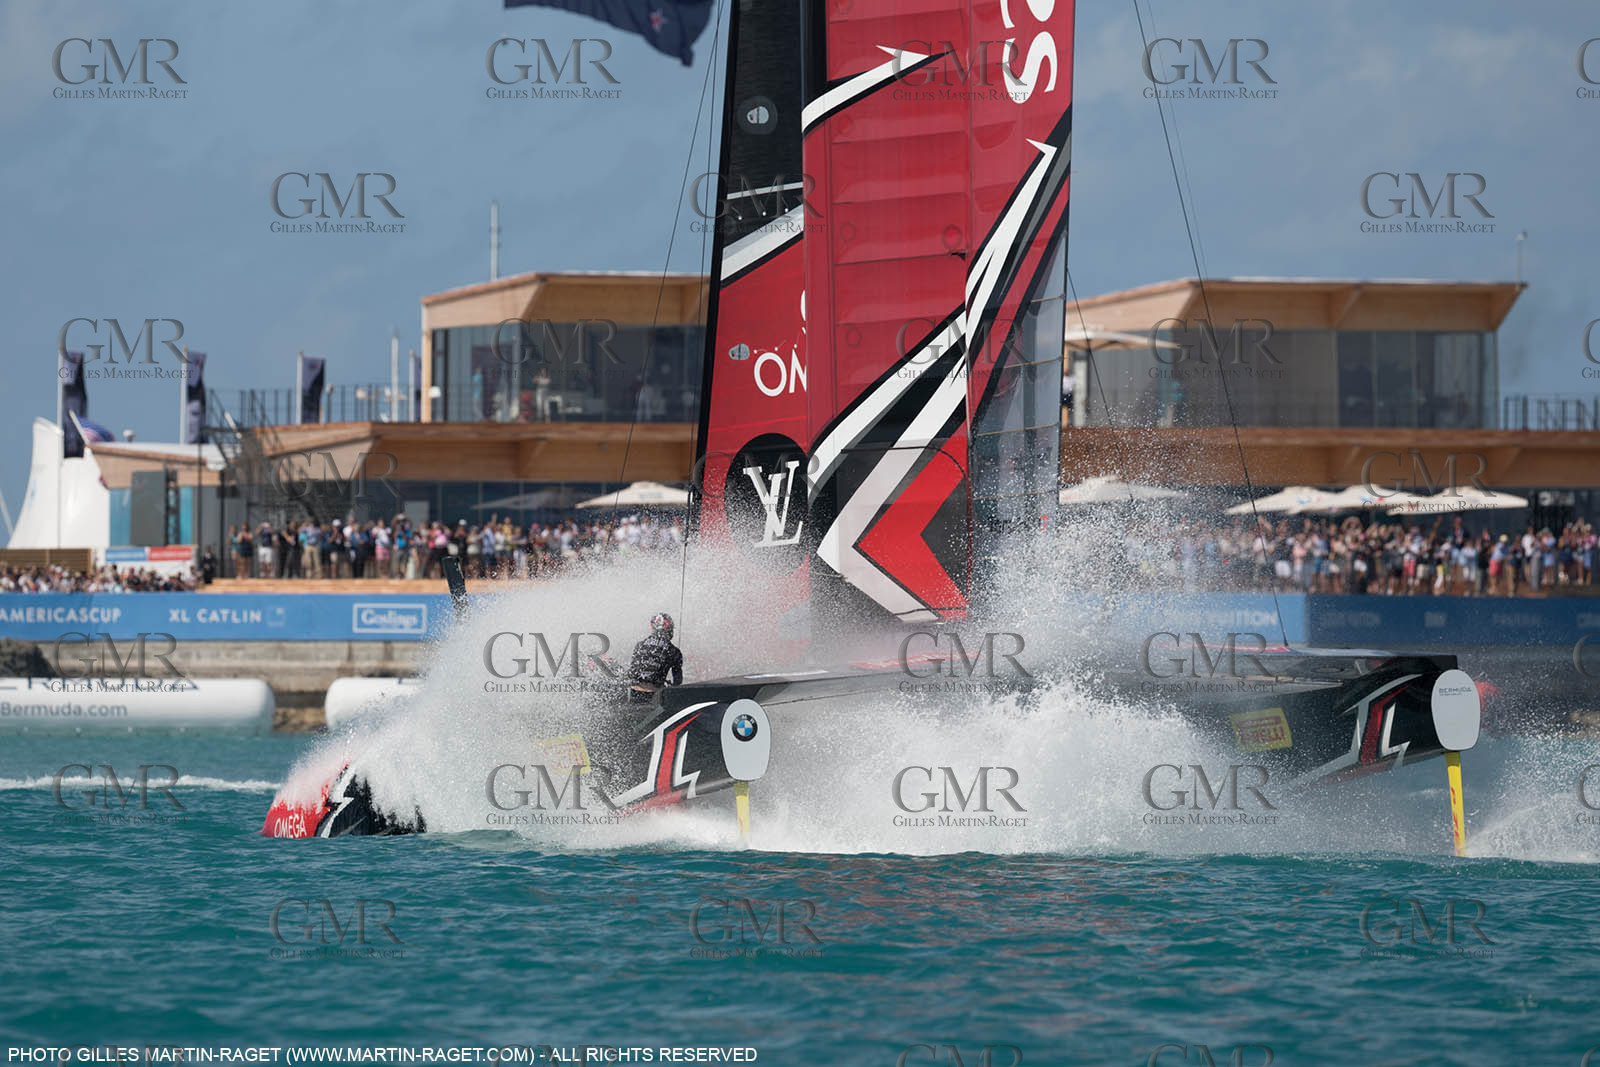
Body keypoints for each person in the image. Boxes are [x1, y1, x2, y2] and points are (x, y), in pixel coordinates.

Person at [627, 612, 683, 704]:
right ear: (669, 629)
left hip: (635, 692)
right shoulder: (674, 651)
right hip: (655, 696)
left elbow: (633, 670)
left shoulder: (639, 645)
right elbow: (678, 682)